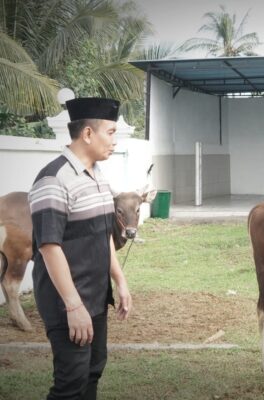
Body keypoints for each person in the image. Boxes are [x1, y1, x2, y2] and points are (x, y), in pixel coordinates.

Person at [28, 97, 132, 399]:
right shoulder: (53, 179)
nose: (114, 140)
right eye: (110, 132)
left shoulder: (97, 176)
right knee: (71, 384)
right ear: (88, 134)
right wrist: (73, 307)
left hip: (96, 298)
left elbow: (103, 236)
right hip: (67, 303)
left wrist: (120, 280)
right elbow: (49, 247)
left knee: (93, 370)